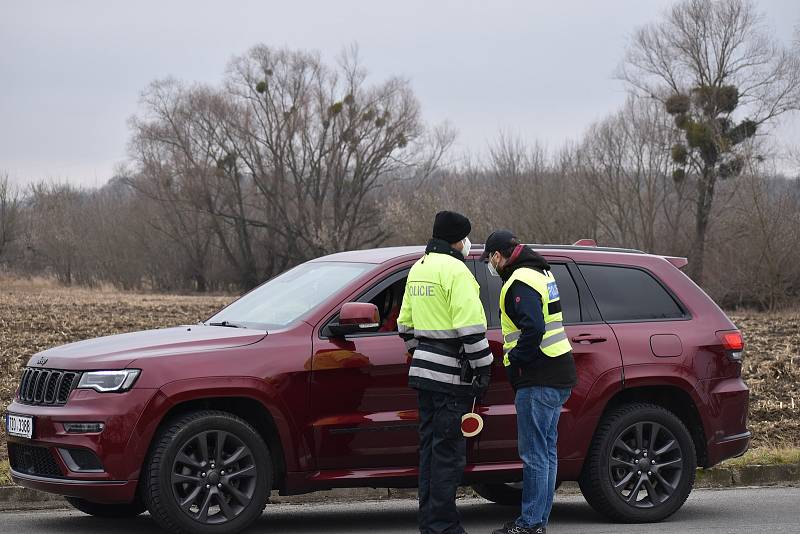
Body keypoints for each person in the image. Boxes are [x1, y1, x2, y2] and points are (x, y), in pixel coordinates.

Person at [398, 210, 493, 534]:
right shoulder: (457, 271)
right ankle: (444, 526)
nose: (468, 244)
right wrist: (484, 369)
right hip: (450, 377)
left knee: (429, 452)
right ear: (457, 239)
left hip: (423, 374)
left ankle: (430, 522)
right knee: (448, 455)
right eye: (466, 237)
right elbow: (470, 329)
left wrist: (421, 352)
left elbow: (405, 325)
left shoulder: (418, 267)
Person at [482, 230, 577, 534]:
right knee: (546, 452)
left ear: (499, 255)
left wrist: (518, 362)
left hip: (539, 376)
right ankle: (537, 522)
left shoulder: (520, 280)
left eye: (490, 258)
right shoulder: (540, 270)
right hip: (558, 370)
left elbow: (533, 328)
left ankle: (531, 523)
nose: (490, 264)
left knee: (535, 454)